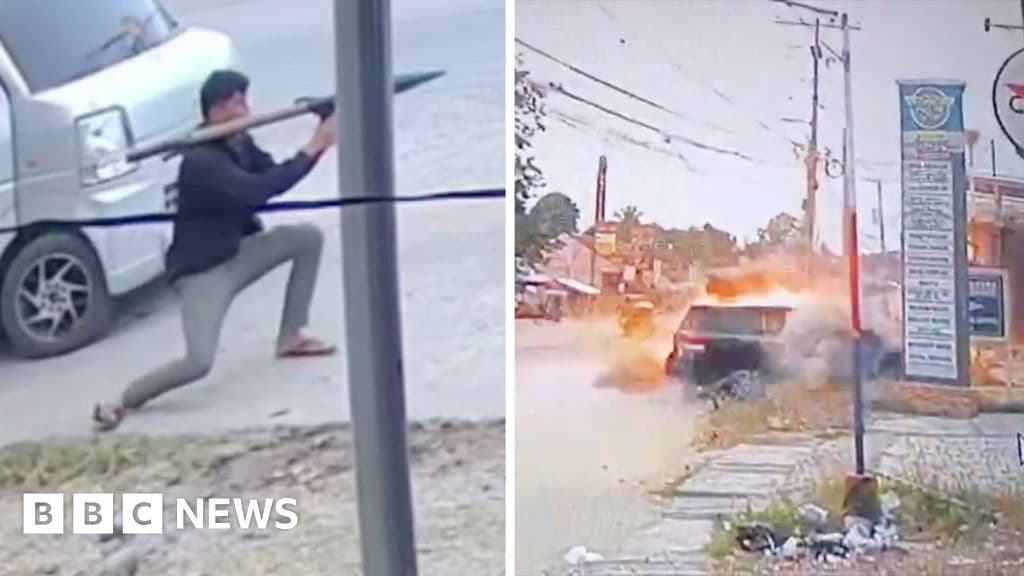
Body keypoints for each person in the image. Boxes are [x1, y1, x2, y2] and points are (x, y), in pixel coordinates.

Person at [92, 70, 337, 432]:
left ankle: (291, 336)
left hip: (236, 253)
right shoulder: (202, 162)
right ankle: (124, 400)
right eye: (236, 103)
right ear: (216, 110)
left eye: (244, 100)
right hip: (203, 276)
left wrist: (321, 133)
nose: (244, 109)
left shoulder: (240, 143)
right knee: (198, 362)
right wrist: (316, 144)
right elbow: (257, 192)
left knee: (306, 238)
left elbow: (276, 175)